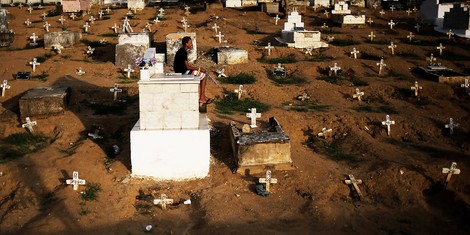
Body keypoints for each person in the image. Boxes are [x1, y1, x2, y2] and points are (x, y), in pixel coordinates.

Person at [174, 36, 212, 104]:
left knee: (201, 74)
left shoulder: (182, 51)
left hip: (183, 71)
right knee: (204, 75)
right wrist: (200, 69)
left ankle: (202, 96)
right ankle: (202, 97)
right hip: (183, 73)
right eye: (190, 43)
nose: (192, 44)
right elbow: (188, 67)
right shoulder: (183, 52)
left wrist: (198, 69)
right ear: (186, 44)